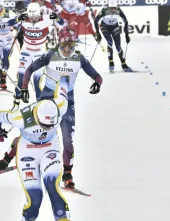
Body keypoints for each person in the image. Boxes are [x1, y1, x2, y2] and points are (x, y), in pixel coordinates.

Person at [0, 27, 103, 189]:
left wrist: (97, 83)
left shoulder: (80, 58)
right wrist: (25, 87)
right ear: (58, 44)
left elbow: (97, 76)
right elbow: (29, 69)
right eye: (63, 46)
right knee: (32, 133)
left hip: (67, 102)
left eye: (71, 46)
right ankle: (6, 160)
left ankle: (67, 175)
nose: (67, 50)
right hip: (46, 102)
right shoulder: (51, 55)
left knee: (68, 140)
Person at [0, 75, 76, 221]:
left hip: (50, 148)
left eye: (51, 125)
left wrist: (64, 78)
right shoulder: (21, 117)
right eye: (44, 125)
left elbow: (63, 88)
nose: (48, 128)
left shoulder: (60, 106)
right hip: (28, 151)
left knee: (53, 187)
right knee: (35, 197)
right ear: (36, 117)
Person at [10, 2, 63, 101]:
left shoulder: (46, 19)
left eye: (36, 16)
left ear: (40, 13)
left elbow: (63, 23)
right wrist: (17, 19)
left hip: (39, 54)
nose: (34, 19)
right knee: (21, 79)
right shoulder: (24, 19)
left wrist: (57, 18)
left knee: (37, 81)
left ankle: (40, 105)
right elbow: (8, 23)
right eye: (31, 17)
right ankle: (16, 103)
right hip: (26, 53)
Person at [94, 0, 131, 72]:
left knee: (118, 46)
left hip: (115, 27)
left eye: (115, 8)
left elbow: (126, 21)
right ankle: (111, 61)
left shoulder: (119, 11)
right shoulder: (104, 10)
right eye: (111, 8)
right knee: (110, 41)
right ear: (108, 7)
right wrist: (98, 34)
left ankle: (123, 63)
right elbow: (96, 20)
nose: (113, 10)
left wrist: (127, 35)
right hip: (105, 27)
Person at [0, 0, 18, 90]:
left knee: (6, 56)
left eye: (0, 8)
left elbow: (19, 23)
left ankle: (3, 78)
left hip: (8, 37)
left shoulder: (9, 13)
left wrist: (19, 27)